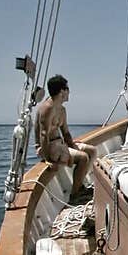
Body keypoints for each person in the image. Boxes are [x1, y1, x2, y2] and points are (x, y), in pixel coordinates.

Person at [35, 74, 96, 203]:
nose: (69, 92)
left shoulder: (61, 110)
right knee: (83, 158)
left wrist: (72, 144)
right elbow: (43, 135)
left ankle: (80, 186)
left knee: (92, 151)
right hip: (50, 147)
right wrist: (47, 159)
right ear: (62, 91)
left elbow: (66, 132)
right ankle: (75, 195)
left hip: (61, 144)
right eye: (67, 89)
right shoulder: (47, 108)